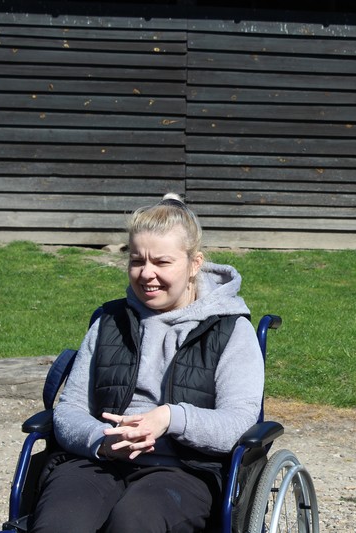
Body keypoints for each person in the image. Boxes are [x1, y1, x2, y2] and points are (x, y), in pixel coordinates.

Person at [30, 193, 265, 533]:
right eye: (137, 260)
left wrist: (170, 418)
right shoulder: (109, 321)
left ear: (195, 264)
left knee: (133, 523)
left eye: (162, 262)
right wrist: (100, 440)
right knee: (60, 525)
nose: (146, 274)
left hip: (183, 470)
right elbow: (69, 409)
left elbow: (238, 423)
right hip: (98, 461)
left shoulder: (230, 330)